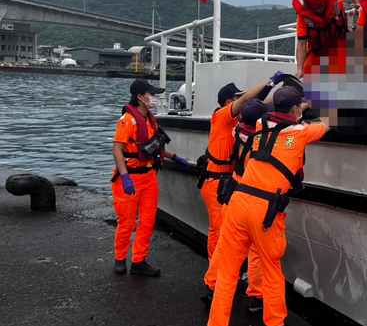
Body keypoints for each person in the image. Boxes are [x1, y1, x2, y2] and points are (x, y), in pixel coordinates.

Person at [203, 87, 334, 326]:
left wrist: (297, 105)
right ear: (296, 110)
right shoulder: (301, 133)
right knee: (271, 265)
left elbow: (284, 112)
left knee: (228, 270)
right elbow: (330, 121)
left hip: (239, 202)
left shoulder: (260, 125)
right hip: (267, 210)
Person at [200, 73, 285, 261]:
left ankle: (221, 271)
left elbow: (260, 103)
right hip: (216, 182)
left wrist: (286, 93)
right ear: (229, 102)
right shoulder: (221, 117)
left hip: (228, 182)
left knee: (224, 230)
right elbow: (249, 99)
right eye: (238, 99)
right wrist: (271, 82)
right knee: (220, 230)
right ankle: (216, 277)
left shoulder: (239, 121)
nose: (244, 102)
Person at [111, 79, 189, 276]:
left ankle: (139, 261)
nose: (154, 98)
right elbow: (117, 150)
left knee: (147, 221)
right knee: (126, 222)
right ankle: (120, 259)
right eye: (151, 94)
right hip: (129, 179)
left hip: (148, 178)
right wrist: (125, 176)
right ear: (140, 96)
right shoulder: (127, 121)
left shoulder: (150, 120)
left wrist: (174, 157)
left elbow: (152, 148)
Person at [201, 97, 270, 311]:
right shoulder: (261, 141)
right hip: (254, 196)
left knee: (225, 244)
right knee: (258, 248)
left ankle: (213, 286)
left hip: (234, 194)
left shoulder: (236, 131)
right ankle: (255, 296)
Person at [294, 0, 359, 79]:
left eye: (320, 7)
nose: (318, 11)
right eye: (313, 9)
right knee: (307, 73)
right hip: (318, 50)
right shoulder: (303, 18)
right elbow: (301, 44)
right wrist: (300, 69)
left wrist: (356, 3)